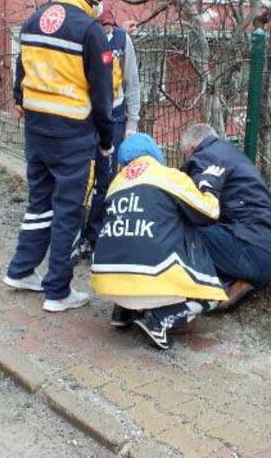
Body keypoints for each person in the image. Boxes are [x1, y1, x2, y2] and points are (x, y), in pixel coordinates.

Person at [3, 0, 115, 313]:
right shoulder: (90, 30)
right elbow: (103, 95)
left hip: (37, 129)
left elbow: (21, 76)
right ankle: (58, 291)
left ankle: (21, 270)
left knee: (39, 203)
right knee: (69, 210)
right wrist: (107, 140)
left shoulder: (34, 21)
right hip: (74, 135)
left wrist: (25, 102)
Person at [91, 134, 228, 350]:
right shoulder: (168, 176)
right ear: (154, 153)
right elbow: (209, 213)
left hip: (109, 284)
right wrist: (210, 186)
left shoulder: (115, 184)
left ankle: (123, 311)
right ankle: (160, 318)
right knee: (212, 296)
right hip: (151, 285)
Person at [180, 123, 271, 308]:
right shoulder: (232, 154)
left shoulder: (203, 157)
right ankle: (234, 281)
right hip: (269, 254)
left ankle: (208, 290)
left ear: (192, 148)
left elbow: (194, 206)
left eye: (184, 155)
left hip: (248, 249)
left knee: (175, 228)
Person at [81, 5, 140, 253]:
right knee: (82, 177)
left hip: (114, 115)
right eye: (100, 27)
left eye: (108, 27)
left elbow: (132, 82)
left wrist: (132, 122)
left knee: (105, 177)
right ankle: (74, 234)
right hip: (85, 116)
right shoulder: (83, 37)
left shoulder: (120, 39)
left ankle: (94, 236)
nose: (104, 32)